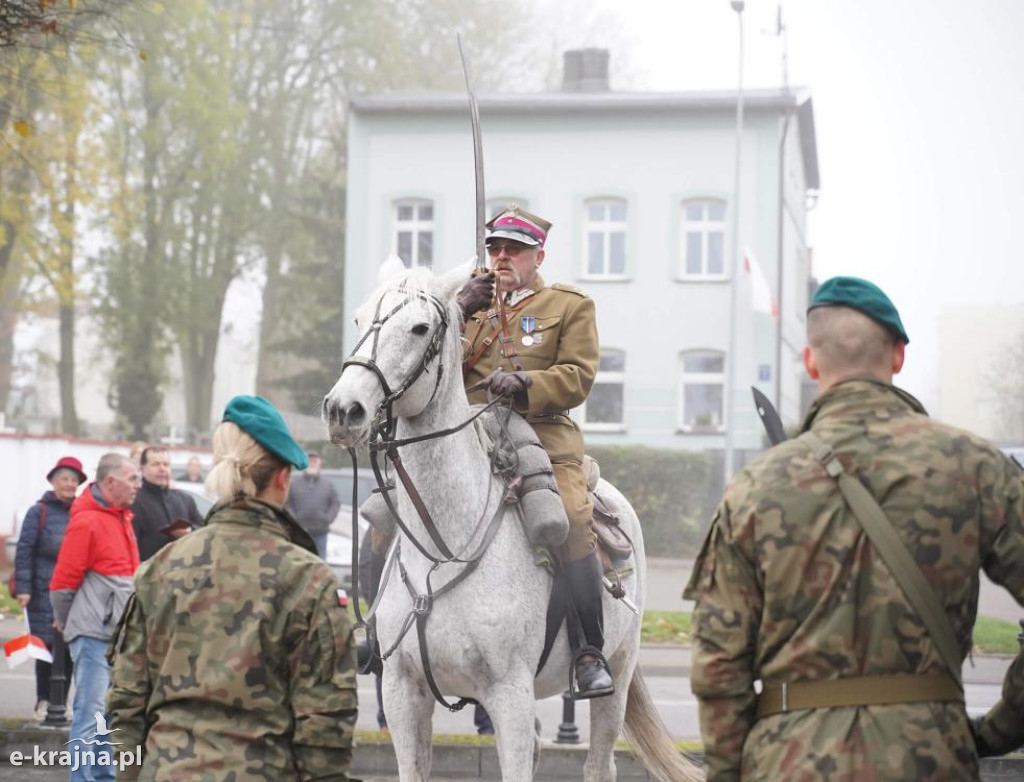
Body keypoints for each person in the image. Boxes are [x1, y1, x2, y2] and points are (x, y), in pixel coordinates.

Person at [685, 276, 1024, 780]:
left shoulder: (757, 486)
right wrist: (999, 730)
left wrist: (730, 772)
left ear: (811, 361)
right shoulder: (975, 467)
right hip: (932, 758)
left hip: (790, 761)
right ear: (898, 356)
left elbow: (719, 664)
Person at [107, 395, 358, 780]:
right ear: (282, 477)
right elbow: (324, 727)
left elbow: (125, 706)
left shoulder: (159, 569)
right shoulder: (307, 579)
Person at [460, 205, 609, 698]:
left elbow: (578, 376)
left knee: (566, 517)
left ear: (537, 255)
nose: (502, 257)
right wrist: (457, 310)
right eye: (495, 248)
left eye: (514, 250)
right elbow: (430, 365)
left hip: (542, 435)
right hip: (468, 435)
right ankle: (380, 630)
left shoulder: (568, 305)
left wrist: (526, 381)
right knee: (388, 506)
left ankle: (589, 651)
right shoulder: (469, 302)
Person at [50, 453, 140, 782]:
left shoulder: (120, 517)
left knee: (106, 715)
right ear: (110, 482)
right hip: (94, 635)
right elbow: (62, 583)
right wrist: (66, 622)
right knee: (90, 715)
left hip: (113, 634)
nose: (138, 485)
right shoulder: (89, 521)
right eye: (132, 479)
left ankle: (102, 777)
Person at [14, 456, 86, 719]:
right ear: (53, 482)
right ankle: (43, 700)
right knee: (44, 647)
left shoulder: (82, 511)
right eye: (64, 479)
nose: (69, 484)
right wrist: (24, 588)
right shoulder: (39, 511)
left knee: (68, 647)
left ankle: (62, 702)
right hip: (43, 590)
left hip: (73, 591)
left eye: (74, 480)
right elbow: (24, 551)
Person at [130, 445, 204, 560]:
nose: (162, 469)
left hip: (182, 572)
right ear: (142, 469)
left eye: (166, 464)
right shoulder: (133, 501)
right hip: (148, 572)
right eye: (156, 464)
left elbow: (205, 530)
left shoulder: (185, 500)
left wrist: (189, 532)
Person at [285, 450, 340, 559]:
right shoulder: (294, 484)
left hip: (320, 532)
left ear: (319, 463)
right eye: (309, 461)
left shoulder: (328, 484)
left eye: (314, 461)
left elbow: (335, 503)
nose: (312, 463)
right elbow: (287, 504)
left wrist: (327, 518)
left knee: (320, 563)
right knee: (300, 561)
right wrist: (294, 519)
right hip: (300, 532)